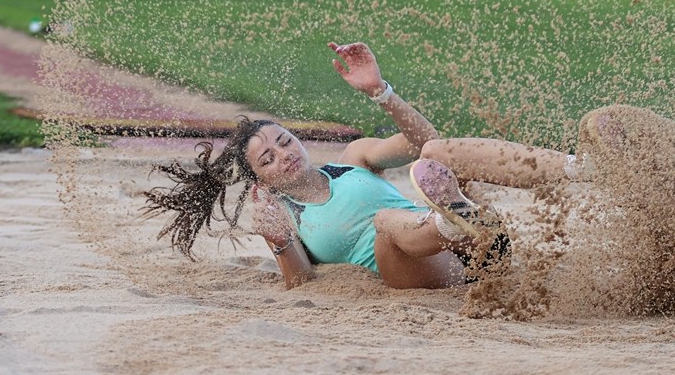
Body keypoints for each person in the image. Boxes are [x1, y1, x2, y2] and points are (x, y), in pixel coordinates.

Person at [143, 42, 605, 290]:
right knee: (385, 221)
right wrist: (281, 243)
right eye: (268, 157)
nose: (284, 153)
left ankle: (577, 168)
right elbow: (301, 283)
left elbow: (425, 142)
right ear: (260, 177)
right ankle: (452, 220)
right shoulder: (280, 216)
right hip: (422, 271)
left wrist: (380, 92)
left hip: (481, 251)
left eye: (285, 141)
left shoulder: (355, 158)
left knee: (439, 153)